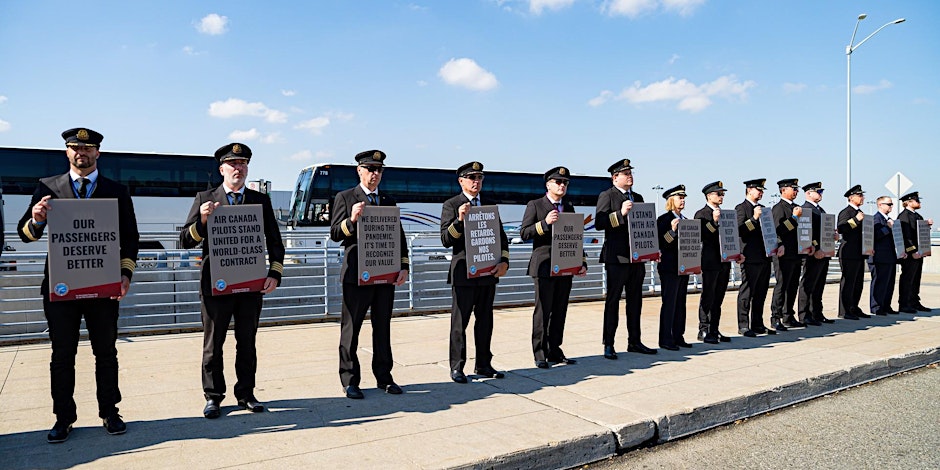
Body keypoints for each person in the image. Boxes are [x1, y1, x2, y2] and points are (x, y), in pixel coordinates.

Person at [17, 128, 139, 443]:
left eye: (87, 148)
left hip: (103, 290)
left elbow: (130, 238)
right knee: (62, 355)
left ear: (98, 153)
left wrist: (125, 274)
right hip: (61, 290)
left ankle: (110, 412)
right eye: (74, 148)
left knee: (106, 353)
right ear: (66, 152)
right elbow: (25, 234)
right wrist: (37, 218)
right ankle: (63, 418)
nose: (80, 153)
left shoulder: (117, 191)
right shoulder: (47, 187)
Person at [180, 143, 285, 419]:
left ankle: (246, 393)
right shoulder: (205, 197)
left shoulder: (259, 200)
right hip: (217, 286)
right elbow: (185, 241)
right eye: (233, 164)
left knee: (247, 342)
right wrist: (202, 220)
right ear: (221, 169)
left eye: (242, 164)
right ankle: (213, 396)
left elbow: (275, 240)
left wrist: (274, 273)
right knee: (213, 343)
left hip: (250, 286)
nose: (238, 168)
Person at [331, 150, 410, 398]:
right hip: (356, 275)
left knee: (382, 327)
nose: (374, 174)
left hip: (384, 274)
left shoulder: (388, 201)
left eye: (378, 170)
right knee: (351, 329)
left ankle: (384, 377)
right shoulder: (345, 197)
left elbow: (399, 236)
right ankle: (350, 380)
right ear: (359, 171)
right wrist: (351, 220)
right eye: (370, 169)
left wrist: (403, 265)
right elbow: (335, 233)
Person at [440, 161, 510, 383]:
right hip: (464, 274)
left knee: (485, 321)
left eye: (479, 178)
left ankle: (483, 364)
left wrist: (504, 262)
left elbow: (501, 237)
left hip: (488, 273)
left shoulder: (489, 204)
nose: (476, 182)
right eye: (471, 178)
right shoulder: (451, 205)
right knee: (460, 324)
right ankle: (457, 367)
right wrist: (459, 220)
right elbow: (445, 240)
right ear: (461, 181)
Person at [521, 166, 587, 368]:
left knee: (560, 310)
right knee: (543, 311)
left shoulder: (568, 206)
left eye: (565, 182)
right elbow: (524, 233)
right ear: (548, 184)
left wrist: (582, 261)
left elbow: (575, 236)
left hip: (565, 264)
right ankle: (539, 353)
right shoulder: (536, 205)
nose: (562, 185)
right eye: (558, 182)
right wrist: (544, 223)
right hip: (544, 266)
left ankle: (555, 350)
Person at [596, 159, 656, 358]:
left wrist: (653, 249)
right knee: (613, 301)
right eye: (625, 173)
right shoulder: (607, 195)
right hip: (617, 257)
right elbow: (600, 222)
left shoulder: (637, 197)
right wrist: (620, 214)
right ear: (615, 177)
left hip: (637, 258)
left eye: (631, 173)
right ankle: (609, 343)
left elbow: (645, 226)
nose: (630, 176)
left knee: (635, 301)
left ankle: (635, 341)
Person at [734, 178, 778, 337]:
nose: (761, 193)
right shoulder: (741, 208)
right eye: (758, 190)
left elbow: (771, 231)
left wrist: (777, 245)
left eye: (762, 190)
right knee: (747, 292)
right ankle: (744, 325)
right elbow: (740, 231)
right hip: (750, 256)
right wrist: (753, 219)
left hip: (765, 256)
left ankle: (758, 323)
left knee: (761, 292)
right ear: (749, 190)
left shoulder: (765, 209)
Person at [656, 185, 693, 350]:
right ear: (671, 200)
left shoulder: (685, 219)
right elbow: (661, 243)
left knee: (680, 303)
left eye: (684, 197)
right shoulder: (663, 220)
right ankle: (665, 338)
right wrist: (672, 230)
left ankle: (678, 335)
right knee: (669, 303)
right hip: (669, 267)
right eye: (679, 197)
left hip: (683, 266)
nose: (683, 200)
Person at [770, 178, 810, 330]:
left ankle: (788, 315)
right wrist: (794, 218)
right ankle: (776, 317)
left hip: (796, 253)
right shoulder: (779, 208)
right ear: (783, 190)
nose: (796, 191)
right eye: (793, 189)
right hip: (783, 253)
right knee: (781, 286)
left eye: (796, 189)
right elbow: (777, 230)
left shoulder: (797, 208)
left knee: (793, 285)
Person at [797, 182, 835, 325]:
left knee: (819, 285)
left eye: (821, 192)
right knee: (808, 284)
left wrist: (833, 236)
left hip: (823, 252)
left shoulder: (820, 210)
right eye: (818, 192)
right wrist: (816, 247)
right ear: (808, 193)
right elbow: (806, 232)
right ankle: (804, 314)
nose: (820, 194)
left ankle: (817, 313)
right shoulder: (806, 209)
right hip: (812, 253)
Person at [836, 184, 870, 320]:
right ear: (851, 198)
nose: (862, 197)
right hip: (849, 252)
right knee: (848, 282)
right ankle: (845, 310)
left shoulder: (860, 212)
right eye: (860, 195)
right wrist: (856, 220)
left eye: (862, 195)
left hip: (859, 252)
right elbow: (842, 228)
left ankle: (854, 307)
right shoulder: (847, 212)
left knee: (858, 282)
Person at [897, 191, 933, 313]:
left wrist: (927, 225)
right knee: (907, 278)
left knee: (916, 279)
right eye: (917, 200)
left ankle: (914, 301)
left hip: (919, 252)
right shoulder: (904, 216)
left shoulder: (917, 216)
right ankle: (904, 303)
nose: (919, 202)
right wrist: (912, 251)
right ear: (909, 202)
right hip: (910, 254)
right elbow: (906, 236)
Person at [868, 196, 902, 315]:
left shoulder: (889, 219)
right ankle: (876, 306)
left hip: (890, 256)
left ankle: (886, 305)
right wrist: (888, 228)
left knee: (889, 283)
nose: (891, 206)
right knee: (879, 283)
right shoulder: (876, 219)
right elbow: (875, 236)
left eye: (891, 204)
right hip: (879, 257)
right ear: (880, 205)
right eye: (888, 204)